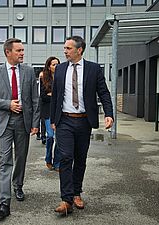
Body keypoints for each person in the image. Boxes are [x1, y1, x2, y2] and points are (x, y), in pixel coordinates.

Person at [50, 36, 114, 215]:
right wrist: (53, 120)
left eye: (68, 48)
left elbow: (103, 92)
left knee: (80, 159)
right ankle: (66, 199)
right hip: (65, 121)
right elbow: (56, 96)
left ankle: (77, 192)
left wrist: (109, 114)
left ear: (79, 50)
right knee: (65, 157)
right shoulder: (61, 69)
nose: (65, 51)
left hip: (84, 121)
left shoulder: (93, 69)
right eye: (64, 48)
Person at [0, 38, 40, 219]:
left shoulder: (29, 71)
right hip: (4, 122)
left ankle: (18, 185)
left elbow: (35, 100)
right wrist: (8, 104)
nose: (22, 53)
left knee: (21, 157)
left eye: (23, 50)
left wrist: (35, 123)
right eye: (19, 51)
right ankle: (4, 202)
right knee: (4, 160)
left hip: (23, 122)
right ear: (8, 52)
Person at [40, 56, 61, 172]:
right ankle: (48, 159)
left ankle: (57, 162)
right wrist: (54, 96)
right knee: (50, 136)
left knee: (59, 138)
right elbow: (43, 97)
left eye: (57, 64)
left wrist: (51, 94)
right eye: (53, 64)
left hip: (59, 112)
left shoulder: (61, 78)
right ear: (49, 66)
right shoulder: (44, 79)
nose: (56, 66)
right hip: (47, 112)